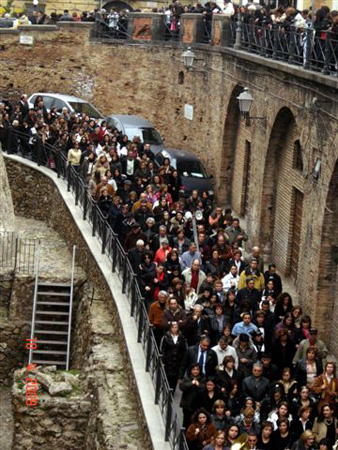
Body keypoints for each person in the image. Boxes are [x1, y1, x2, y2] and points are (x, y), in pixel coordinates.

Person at [160, 322, 187, 392]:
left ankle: (172, 392)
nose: (174, 329)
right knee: (167, 376)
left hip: (178, 361)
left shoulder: (181, 337)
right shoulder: (166, 337)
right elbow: (163, 350)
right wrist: (163, 360)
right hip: (168, 360)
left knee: (175, 378)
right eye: (173, 327)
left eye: (176, 327)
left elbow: (184, 350)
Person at [180, 364, 206, 429]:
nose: (195, 371)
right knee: (186, 422)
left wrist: (198, 385)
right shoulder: (187, 378)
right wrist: (191, 383)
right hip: (187, 404)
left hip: (197, 405)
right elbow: (182, 387)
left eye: (197, 370)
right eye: (194, 369)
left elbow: (205, 388)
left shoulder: (203, 378)